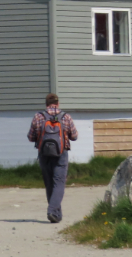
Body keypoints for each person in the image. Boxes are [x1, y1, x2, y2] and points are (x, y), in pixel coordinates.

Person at [27, 93, 78, 223]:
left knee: (49, 184)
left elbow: (30, 137)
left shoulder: (38, 116)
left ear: (46, 104)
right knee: (59, 184)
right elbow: (74, 136)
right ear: (58, 103)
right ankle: (52, 211)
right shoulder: (66, 117)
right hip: (61, 153)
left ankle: (56, 215)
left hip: (44, 154)